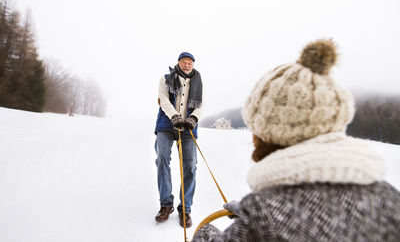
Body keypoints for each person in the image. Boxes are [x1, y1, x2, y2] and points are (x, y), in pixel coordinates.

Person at [193, 39, 400, 241]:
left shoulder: (262, 217)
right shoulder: (391, 200)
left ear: (270, 134)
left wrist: (207, 232)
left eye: (256, 127)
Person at [154, 52, 203, 228]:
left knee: (190, 165)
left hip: (188, 129)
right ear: (178, 63)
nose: (187, 65)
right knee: (162, 159)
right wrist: (174, 116)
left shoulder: (198, 82)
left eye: (190, 62)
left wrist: (193, 119)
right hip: (167, 126)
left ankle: (185, 209)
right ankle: (166, 205)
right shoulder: (166, 78)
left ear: (193, 65)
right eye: (184, 62)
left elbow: (200, 105)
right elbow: (164, 100)